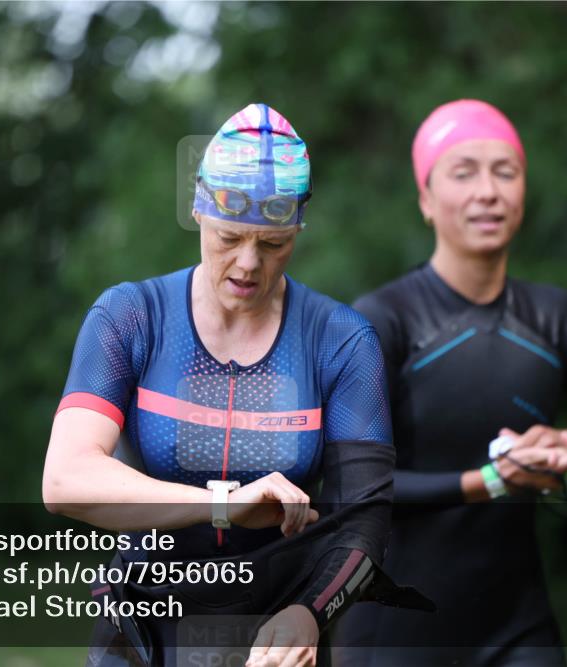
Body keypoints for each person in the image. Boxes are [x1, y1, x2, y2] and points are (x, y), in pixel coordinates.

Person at [44, 103, 397, 666]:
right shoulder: (131, 316)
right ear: (197, 209)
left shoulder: (341, 340)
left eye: (273, 243)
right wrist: (223, 504)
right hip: (141, 632)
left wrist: (310, 613)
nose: (248, 263)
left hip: (272, 635)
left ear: (298, 228)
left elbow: (365, 520)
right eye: (229, 236)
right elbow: (65, 481)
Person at [333, 99, 567, 666]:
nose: (488, 191)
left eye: (505, 172)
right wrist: (487, 481)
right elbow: (348, 485)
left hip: (517, 628)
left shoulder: (555, 317)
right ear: (426, 199)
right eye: (464, 173)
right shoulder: (383, 320)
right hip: (395, 631)